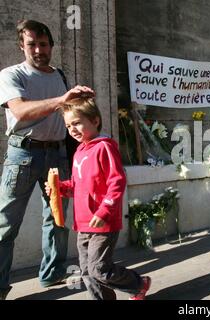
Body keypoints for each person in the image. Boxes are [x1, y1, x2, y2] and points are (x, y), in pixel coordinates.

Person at [0, 20, 95, 300]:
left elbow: (70, 114)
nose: (39, 50)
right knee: (5, 224)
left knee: (57, 220)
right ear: (22, 45)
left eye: (43, 44)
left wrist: (81, 102)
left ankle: (52, 273)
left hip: (57, 154)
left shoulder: (59, 75)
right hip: (23, 155)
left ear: (51, 46)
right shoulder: (10, 74)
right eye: (32, 44)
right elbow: (19, 112)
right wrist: (62, 99)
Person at [46, 98, 151, 300]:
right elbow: (77, 187)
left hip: (104, 222)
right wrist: (59, 188)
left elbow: (117, 181)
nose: (72, 129)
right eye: (68, 125)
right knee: (87, 272)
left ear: (95, 121)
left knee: (99, 269)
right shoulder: (79, 152)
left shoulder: (104, 147)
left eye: (77, 122)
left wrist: (104, 211)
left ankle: (138, 283)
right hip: (83, 223)